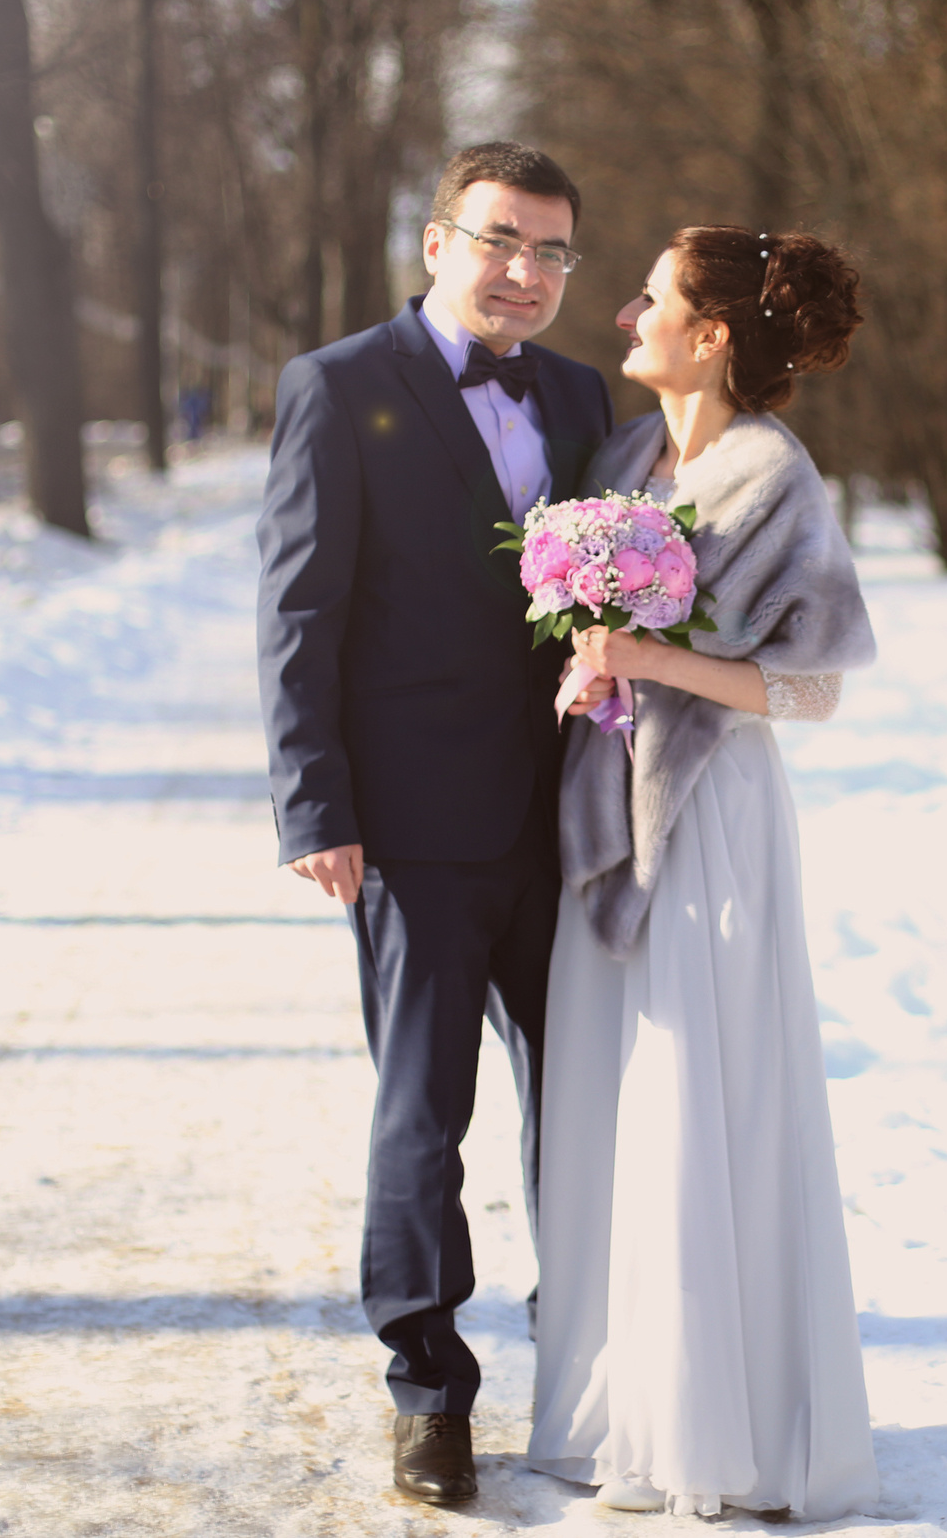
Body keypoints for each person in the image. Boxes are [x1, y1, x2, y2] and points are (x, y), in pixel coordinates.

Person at [257, 142, 611, 1507]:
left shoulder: (581, 396)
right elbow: (300, 610)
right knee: (426, 1112)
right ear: (436, 242)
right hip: (411, 824)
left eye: (554, 253)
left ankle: (589, 1363)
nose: (527, 274)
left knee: (585, 1106)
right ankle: (427, 1389)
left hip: (573, 822)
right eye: (503, 241)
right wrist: (317, 800)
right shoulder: (339, 387)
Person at [525, 227, 881, 1520]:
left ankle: (721, 1424)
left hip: (714, 816)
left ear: (712, 332)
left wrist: (647, 658)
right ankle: (622, 1402)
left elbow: (817, 684)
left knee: (701, 1097)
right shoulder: (625, 458)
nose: (627, 312)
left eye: (654, 298)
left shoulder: (770, 475)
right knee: (614, 1100)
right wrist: (588, 656)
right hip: (608, 809)